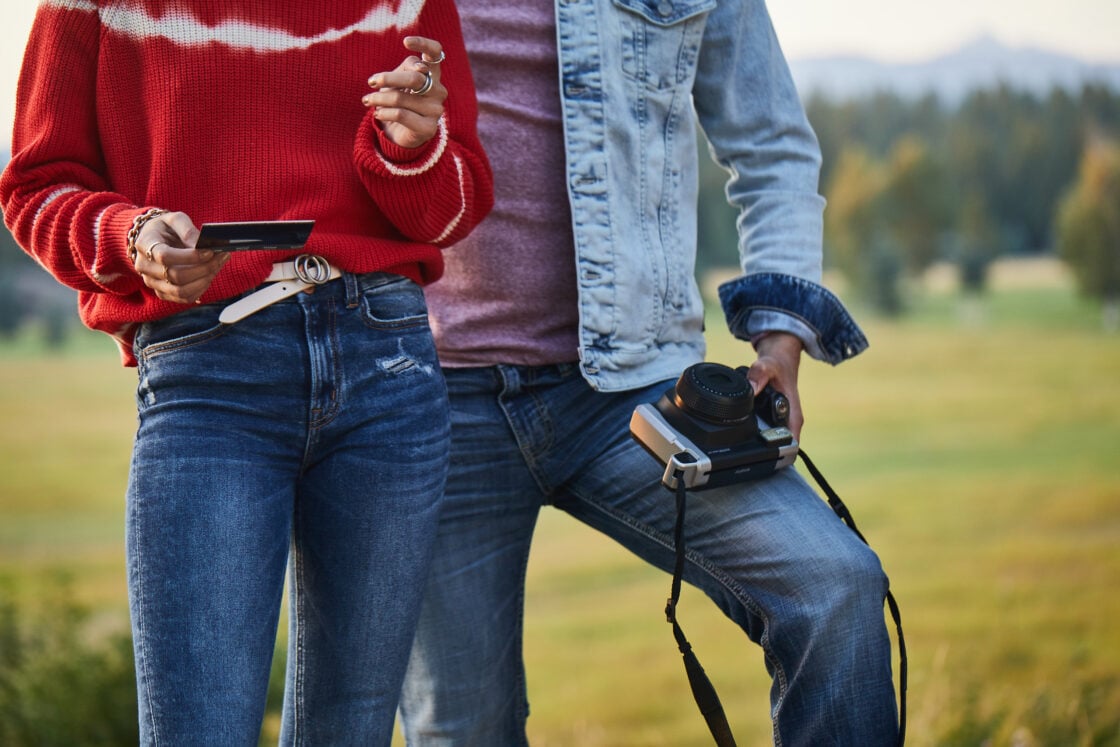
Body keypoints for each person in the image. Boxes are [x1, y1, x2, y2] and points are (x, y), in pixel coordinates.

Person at [395, 0, 899, 745]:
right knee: (461, 728)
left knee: (833, 584)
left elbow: (772, 145)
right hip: (433, 392)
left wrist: (780, 339)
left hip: (635, 390)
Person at [1, 1, 491, 744]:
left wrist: (415, 148)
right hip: (208, 374)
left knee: (351, 732)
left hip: (386, 363)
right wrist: (129, 236)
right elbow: (34, 185)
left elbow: (453, 209)